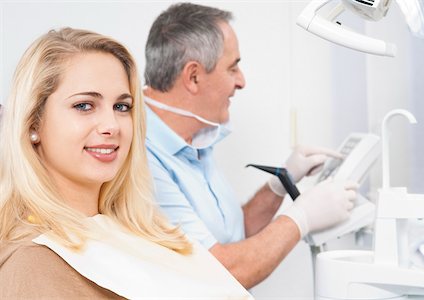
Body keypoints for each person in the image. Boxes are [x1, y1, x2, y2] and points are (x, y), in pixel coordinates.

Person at [0, 27, 252, 299]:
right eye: (84, 105)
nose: (111, 126)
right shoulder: (34, 261)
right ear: (32, 123)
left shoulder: (150, 231)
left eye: (122, 107)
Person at [143, 2, 359, 289]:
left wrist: (280, 183)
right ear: (193, 76)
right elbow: (221, 269)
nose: (241, 82)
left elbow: (232, 235)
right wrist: (302, 217)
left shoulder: (197, 138)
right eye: (233, 68)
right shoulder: (142, 156)